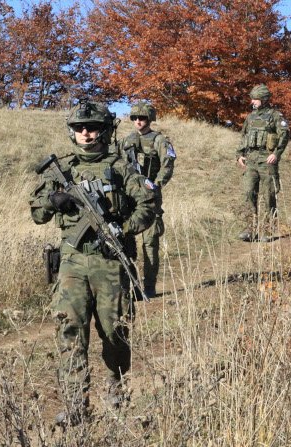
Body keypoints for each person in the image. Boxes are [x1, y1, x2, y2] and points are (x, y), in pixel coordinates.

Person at [29, 100, 155, 425]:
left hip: (110, 263)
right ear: (72, 132)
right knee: (70, 331)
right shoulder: (63, 169)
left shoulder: (121, 166)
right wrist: (54, 200)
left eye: (93, 127)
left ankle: (117, 394)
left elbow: (147, 206)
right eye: (79, 128)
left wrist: (121, 229)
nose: (86, 133)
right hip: (72, 262)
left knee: (116, 332)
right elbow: (37, 213)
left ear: (105, 130)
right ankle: (75, 406)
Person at [119, 102, 176, 298]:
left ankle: (149, 286)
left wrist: (156, 184)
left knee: (150, 242)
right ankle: (131, 286)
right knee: (126, 242)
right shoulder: (126, 141)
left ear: (150, 119)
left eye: (141, 118)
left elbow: (167, 164)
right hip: (129, 197)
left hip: (150, 196)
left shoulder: (160, 140)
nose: (138, 121)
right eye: (134, 118)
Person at [236, 84, 289, 242]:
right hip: (251, 159)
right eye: (252, 98)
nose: (252, 101)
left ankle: (267, 230)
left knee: (268, 195)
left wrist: (276, 154)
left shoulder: (275, 116)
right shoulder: (250, 117)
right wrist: (239, 154)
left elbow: (284, 136)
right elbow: (244, 136)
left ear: (264, 99)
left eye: (256, 99)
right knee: (248, 192)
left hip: (267, 159)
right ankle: (249, 229)